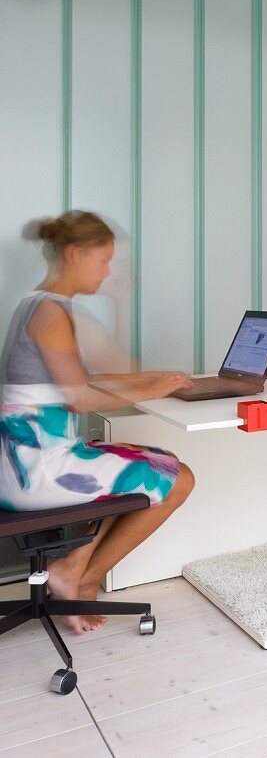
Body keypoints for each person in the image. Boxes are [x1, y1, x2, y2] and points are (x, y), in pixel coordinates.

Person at [0, 211, 195, 633]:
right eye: (103, 260)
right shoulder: (51, 313)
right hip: (35, 472)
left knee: (151, 459)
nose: (108, 272)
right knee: (178, 478)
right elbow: (80, 397)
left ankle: (76, 568)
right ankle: (81, 576)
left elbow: (103, 373)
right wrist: (152, 389)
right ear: (75, 254)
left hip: (28, 461)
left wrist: (165, 379)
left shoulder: (43, 306)